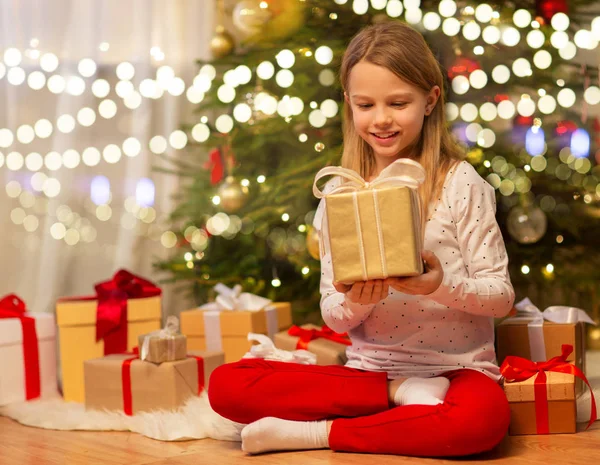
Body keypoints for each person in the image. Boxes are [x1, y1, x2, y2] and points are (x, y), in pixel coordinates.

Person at [208, 20, 515, 457]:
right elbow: (335, 317)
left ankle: (319, 434)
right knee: (227, 385)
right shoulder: (338, 193)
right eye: (366, 104)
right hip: (370, 376)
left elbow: (501, 297)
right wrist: (359, 300)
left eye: (398, 102)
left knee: (480, 423)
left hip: (457, 373)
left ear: (430, 101)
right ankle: (401, 395)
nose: (381, 119)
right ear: (348, 103)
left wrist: (440, 285)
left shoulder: (460, 182)